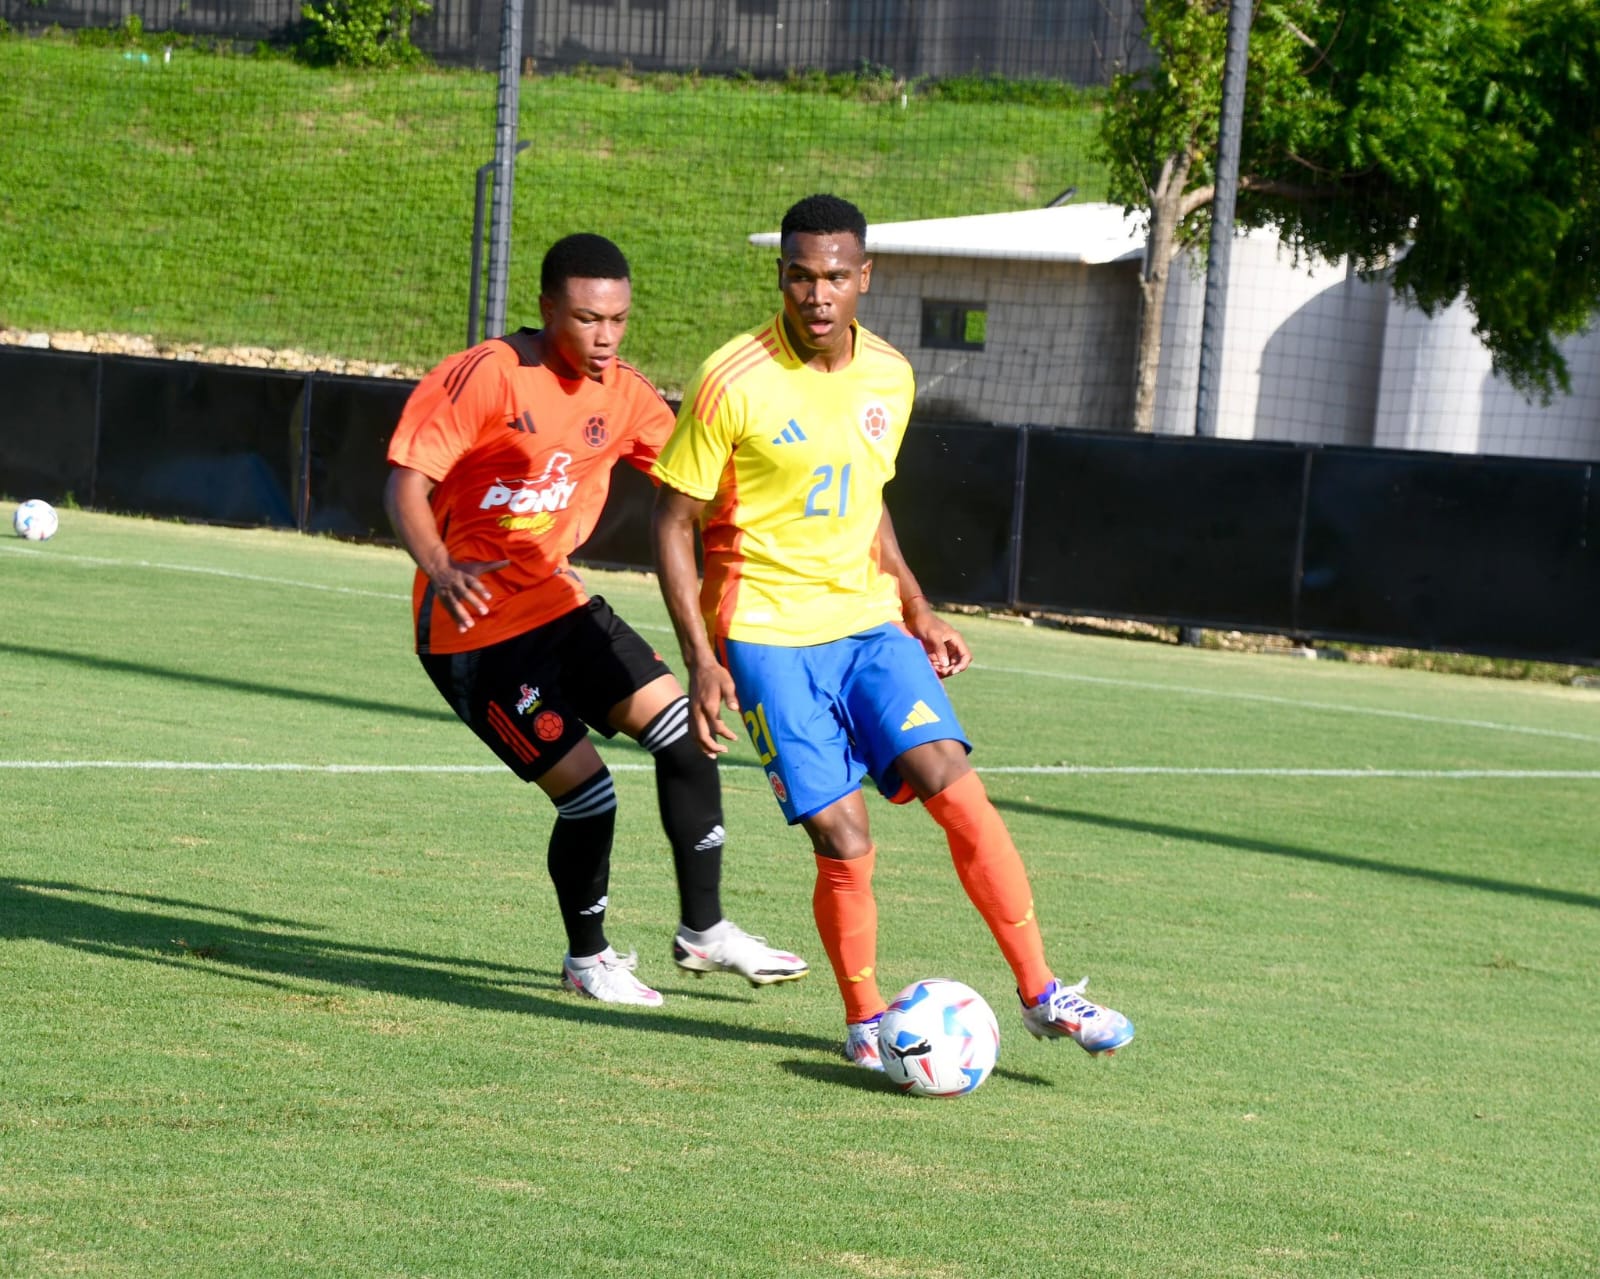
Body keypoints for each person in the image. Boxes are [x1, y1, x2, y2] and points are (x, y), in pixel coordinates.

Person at [650, 194, 1132, 1066]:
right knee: (845, 834)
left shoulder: (891, 376)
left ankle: (1042, 993)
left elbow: (869, 502)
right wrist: (701, 658)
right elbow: (671, 522)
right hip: (764, 632)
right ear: (783, 276)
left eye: (835, 276)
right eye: (801, 274)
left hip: (868, 626)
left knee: (959, 791)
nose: (818, 293)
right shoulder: (733, 378)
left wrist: (915, 604)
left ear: (864, 277)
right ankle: (866, 1021)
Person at [384, 232, 808, 1006]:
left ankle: (704, 931)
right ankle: (588, 958)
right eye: (586, 319)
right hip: (472, 631)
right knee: (589, 793)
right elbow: (405, 484)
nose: (605, 337)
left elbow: (698, 485)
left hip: (560, 604)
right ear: (548, 310)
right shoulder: (485, 377)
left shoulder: (626, 394)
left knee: (686, 734)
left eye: (617, 319)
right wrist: (440, 566)